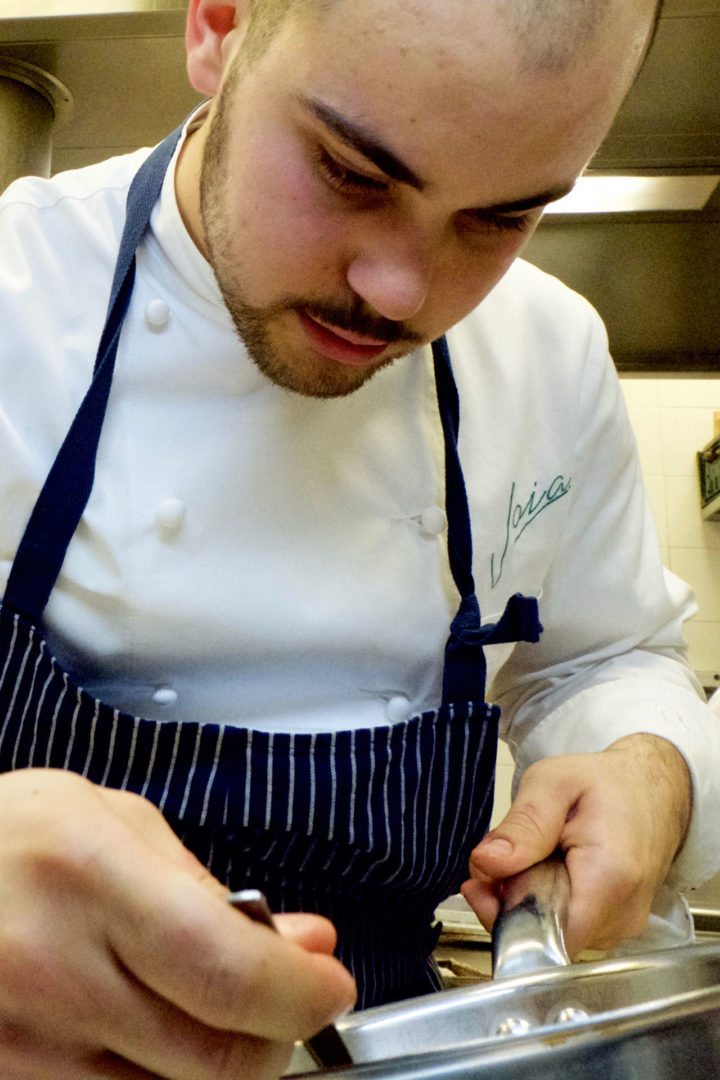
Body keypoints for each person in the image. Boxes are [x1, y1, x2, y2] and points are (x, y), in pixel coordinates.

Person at [0, 0, 718, 1075]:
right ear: (219, 24)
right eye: (350, 173)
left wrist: (651, 766)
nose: (401, 288)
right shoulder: (16, 290)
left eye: (499, 218)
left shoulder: (549, 350)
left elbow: (607, 654)